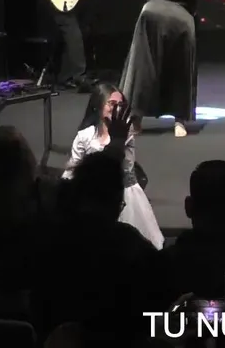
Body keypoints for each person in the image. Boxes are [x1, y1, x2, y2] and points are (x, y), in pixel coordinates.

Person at [88, 0, 199, 138]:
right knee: (142, 72)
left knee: (178, 73)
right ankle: (135, 118)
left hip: (179, 34)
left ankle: (179, 120)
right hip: (148, 32)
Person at [63, 83, 164, 249]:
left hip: (123, 192)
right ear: (98, 105)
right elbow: (72, 167)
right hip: (91, 195)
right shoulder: (84, 136)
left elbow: (123, 167)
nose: (116, 108)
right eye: (111, 103)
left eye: (120, 105)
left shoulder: (127, 135)